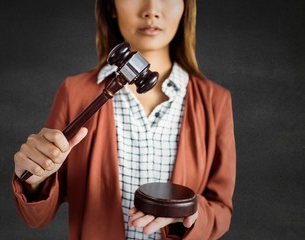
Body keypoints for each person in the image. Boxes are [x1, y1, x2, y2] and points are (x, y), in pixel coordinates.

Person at [12, 0, 236, 239]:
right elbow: (36, 217)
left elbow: (221, 211)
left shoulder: (214, 101)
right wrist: (35, 178)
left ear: (186, 8)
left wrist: (190, 213)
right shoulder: (75, 92)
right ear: (110, 7)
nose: (151, 9)